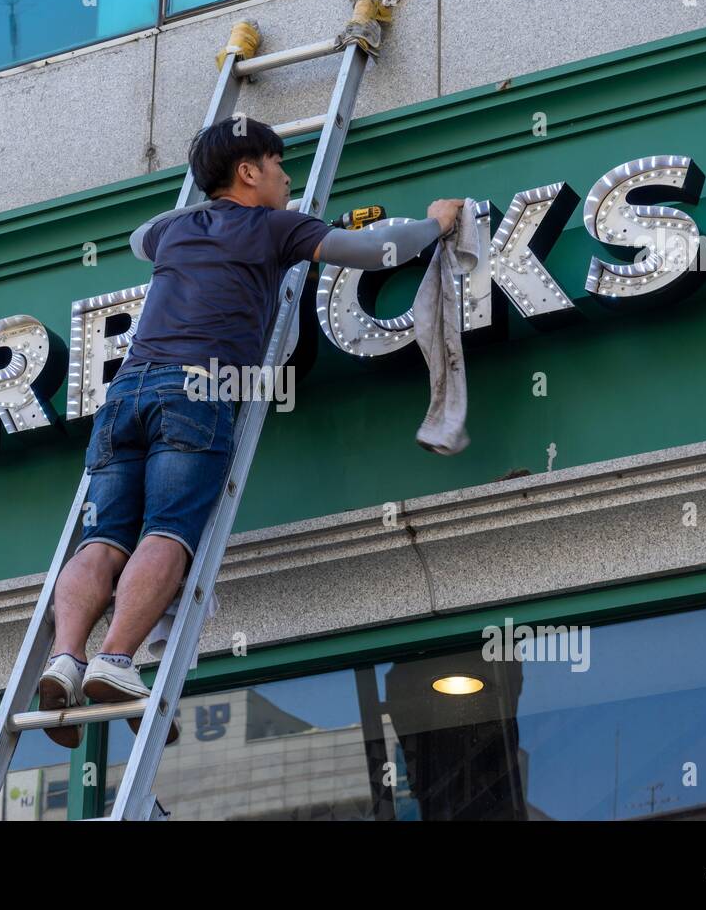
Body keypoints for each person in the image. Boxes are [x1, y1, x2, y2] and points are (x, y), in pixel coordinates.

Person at [37, 115, 464, 747]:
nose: (289, 177)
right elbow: (375, 251)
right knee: (169, 531)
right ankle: (117, 659)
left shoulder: (174, 231)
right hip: (197, 390)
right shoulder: (273, 227)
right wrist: (436, 223)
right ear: (248, 172)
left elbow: (137, 237)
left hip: (124, 394)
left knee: (100, 541)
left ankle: (66, 658)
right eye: (277, 164)